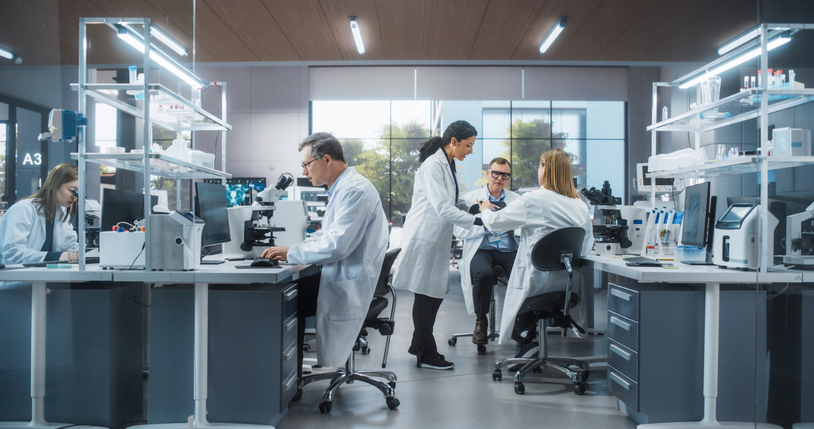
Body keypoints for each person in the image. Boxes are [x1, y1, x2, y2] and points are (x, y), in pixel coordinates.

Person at [261, 132, 388, 378]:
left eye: (306, 165)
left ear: (326, 160)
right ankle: (289, 374)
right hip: (344, 273)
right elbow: (327, 235)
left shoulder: (354, 191)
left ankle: (290, 377)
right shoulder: (343, 189)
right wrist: (293, 248)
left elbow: (337, 244)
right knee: (289, 293)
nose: (304, 172)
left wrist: (292, 253)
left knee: (284, 299)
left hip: (349, 280)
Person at [477, 149, 593, 358]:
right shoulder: (580, 206)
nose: (538, 169)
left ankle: (528, 342)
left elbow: (494, 223)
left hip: (536, 283)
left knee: (523, 283)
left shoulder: (533, 200)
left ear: (546, 170)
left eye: (540, 164)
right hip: (568, 285)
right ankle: (529, 342)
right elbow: (586, 248)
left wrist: (485, 208)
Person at [392, 120, 483, 370]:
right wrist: (477, 220)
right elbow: (443, 207)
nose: (470, 151)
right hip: (424, 236)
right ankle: (426, 353)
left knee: (433, 293)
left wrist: (474, 207)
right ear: (453, 141)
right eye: (468, 145)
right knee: (426, 294)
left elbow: (451, 200)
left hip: (435, 237)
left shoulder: (448, 162)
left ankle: (420, 345)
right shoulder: (434, 165)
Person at [453, 157, 520, 344]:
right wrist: (486, 222)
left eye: (505, 175)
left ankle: (518, 322)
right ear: (488, 174)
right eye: (496, 173)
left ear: (508, 178)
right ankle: (481, 320)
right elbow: (457, 229)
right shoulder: (469, 199)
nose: (499, 178)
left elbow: (524, 225)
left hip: (508, 249)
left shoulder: (517, 200)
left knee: (522, 274)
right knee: (483, 274)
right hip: (481, 249)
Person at [0, 163, 79, 266]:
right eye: (72, 190)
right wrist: (53, 257)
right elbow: (12, 253)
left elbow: (70, 247)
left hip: (46, 277)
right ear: (54, 185)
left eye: (78, 192)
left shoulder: (61, 213)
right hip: (18, 279)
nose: (75, 197)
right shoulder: (23, 209)